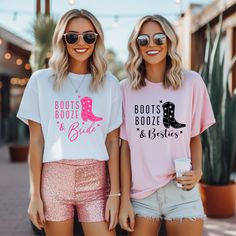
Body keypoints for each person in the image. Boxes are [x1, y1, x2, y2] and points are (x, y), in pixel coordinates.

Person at [17, 9, 122, 236]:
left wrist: (116, 194)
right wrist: (34, 195)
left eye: (89, 36)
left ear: (97, 39)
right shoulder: (41, 81)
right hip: (54, 179)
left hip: (96, 180)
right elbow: (36, 141)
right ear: (62, 40)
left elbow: (113, 142)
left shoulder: (110, 83)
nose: (81, 42)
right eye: (72, 36)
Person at [119, 14, 215, 236]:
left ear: (170, 41)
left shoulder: (191, 82)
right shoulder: (125, 89)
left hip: (182, 192)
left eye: (159, 38)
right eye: (143, 40)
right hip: (141, 196)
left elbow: (194, 136)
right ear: (136, 45)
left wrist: (198, 170)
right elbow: (124, 148)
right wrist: (124, 200)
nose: (151, 45)